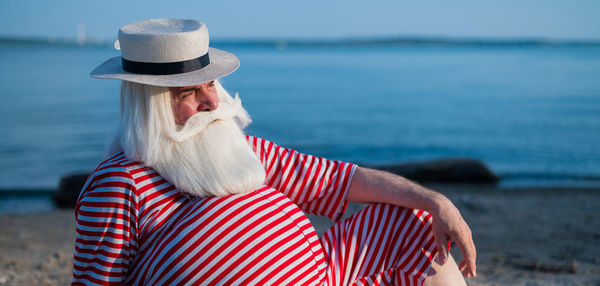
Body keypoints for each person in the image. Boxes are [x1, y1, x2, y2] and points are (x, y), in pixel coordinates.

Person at [73, 18, 476, 285]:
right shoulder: (119, 182)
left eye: (210, 84)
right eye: (189, 93)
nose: (212, 102)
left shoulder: (234, 146)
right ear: (152, 106)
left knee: (417, 223)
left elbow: (339, 179)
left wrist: (435, 200)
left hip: (325, 275)